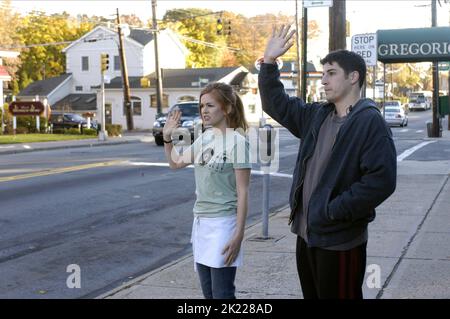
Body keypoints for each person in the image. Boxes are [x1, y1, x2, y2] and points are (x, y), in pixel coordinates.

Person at [259, 25, 397, 299]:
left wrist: (333, 211)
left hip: (340, 240)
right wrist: (269, 63)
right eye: (323, 75)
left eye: (331, 73)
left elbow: (381, 181)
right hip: (307, 235)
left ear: (353, 77)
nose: (323, 80)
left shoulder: (369, 122)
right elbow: (277, 104)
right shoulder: (317, 116)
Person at [162, 82, 251, 299]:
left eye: (210, 105)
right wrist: (167, 138)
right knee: (209, 295)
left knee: (223, 294)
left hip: (223, 225)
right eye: (202, 106)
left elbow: (243, 191)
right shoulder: (205, 137)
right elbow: (176, 163)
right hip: (201, 224)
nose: (204, 110)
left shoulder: (238, 143)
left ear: (227, 108)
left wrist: (239, 234)